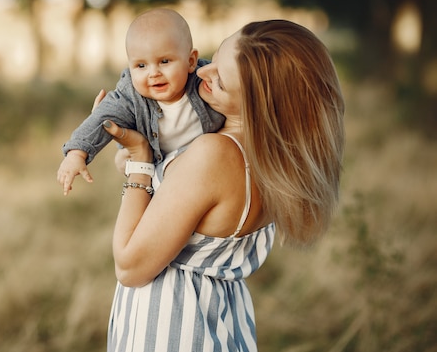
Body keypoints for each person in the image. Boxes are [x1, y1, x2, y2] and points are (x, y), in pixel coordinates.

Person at [99, 19, 345, 352]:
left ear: (260, 106)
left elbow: (129, 266)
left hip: (170, 330)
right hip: (221, 323)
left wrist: (140, 159)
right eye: (213, 58)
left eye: (221, 81)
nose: (202, 73)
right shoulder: (275, 162)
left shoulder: (214, 156)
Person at [57, 8, 225, 195]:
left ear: (191, 61)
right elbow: (100, 118)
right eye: (141, 65)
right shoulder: (130, 96)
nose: (153, 73)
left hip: (208, 169)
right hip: (160, 179)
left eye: (164, 61)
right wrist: (76, 154)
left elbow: (238, 91)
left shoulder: (206, 80)